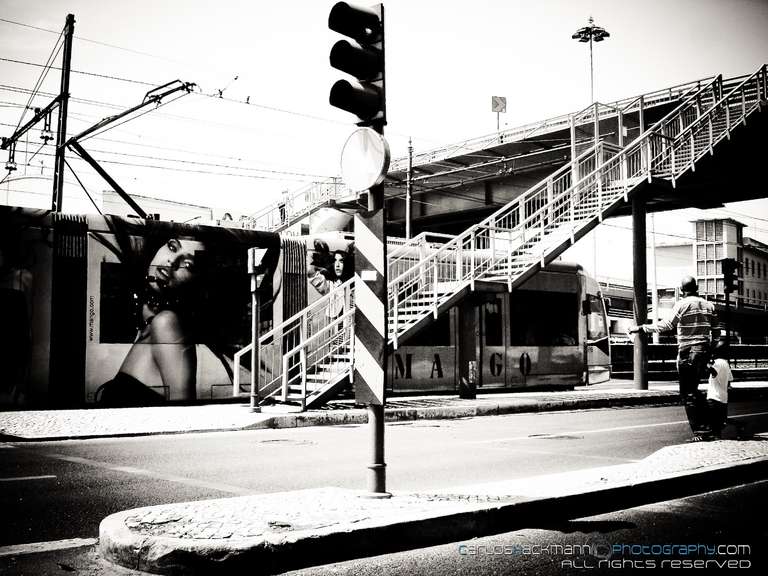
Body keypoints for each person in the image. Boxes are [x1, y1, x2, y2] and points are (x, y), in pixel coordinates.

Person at [97, 236, 207, 406]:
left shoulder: (166, 323)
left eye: (188, 264)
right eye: (172, 247)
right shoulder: (149, 320)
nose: (172, 261)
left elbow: (183, 414)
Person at [630, 275, 720, 440]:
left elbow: (667, 325)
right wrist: (709, 352)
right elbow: (717, 333)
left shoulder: (681, 305)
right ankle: (712, 426)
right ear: (697, 288)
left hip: (687, 352)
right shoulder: (709, 305)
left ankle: (702, 431)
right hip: (703, 351)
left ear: (682, 290)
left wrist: (641, 328)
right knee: (695, 390)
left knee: (688, 393)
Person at [706, 340, 733, 439]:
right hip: (723, 398)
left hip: (713, 397)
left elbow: (714, 372)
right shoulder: (726, 364)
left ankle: (715, 440)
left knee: (712, 424)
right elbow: (730, 380)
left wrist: (707, 365)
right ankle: (718, 439)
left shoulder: (717, 363)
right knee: (719, 425)